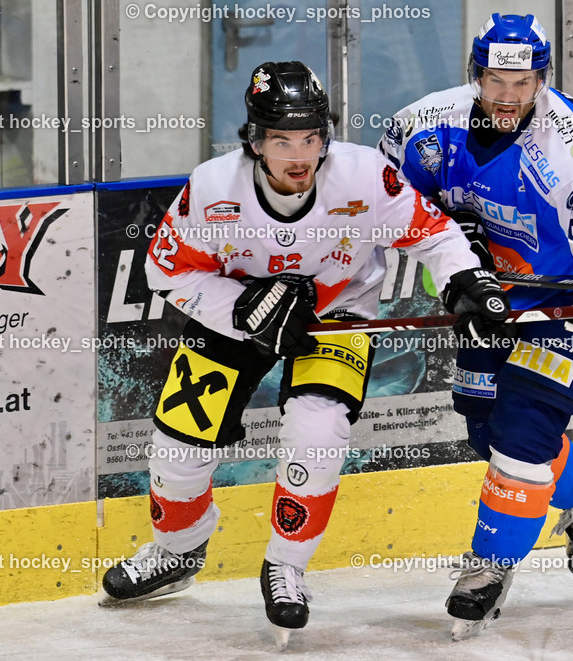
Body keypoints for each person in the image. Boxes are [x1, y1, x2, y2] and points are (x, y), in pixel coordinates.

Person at [100, 61, 509, 645]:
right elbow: (166, 272)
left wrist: (465, 280)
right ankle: (177, 551)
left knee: (318, 432)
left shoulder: (365, 176)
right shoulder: (213, 188)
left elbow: (436, 234)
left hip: (337, 313)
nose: (299, 156)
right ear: (254, 140)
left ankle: (287, 567)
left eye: (311, 138)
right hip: (241, 312)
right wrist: (243, 309)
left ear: (325, 136)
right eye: (282, 140)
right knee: (179, 442)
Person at [378, 14, 573, 635]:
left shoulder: (568, 143)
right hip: (492, 301)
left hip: (569, 307)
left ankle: (488, 567)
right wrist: (449, 235)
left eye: (523, 82)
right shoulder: (425, 127)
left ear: (542, 80)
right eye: (495, 81)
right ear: (475, 75)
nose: (508, 96)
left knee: (522, 433)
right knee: (485, 430)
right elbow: (385, 196)